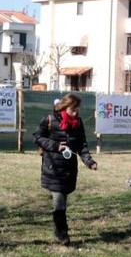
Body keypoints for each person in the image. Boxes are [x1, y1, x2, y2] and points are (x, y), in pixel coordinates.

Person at [33, 93, 97, 245]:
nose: (75, 113)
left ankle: (58, 228)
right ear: (64, 107)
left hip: (69, 170)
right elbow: (37, 137)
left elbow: (82, 145)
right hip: (53, 168)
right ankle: (63, 234)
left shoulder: (78, 123)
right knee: (59, 200)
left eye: (77, 110)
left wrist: (89, 162)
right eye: (73, 110)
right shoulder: (49, 120)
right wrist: (55, 146)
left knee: (63, 200)